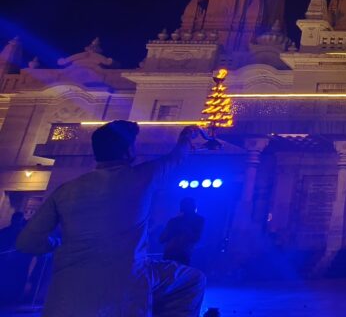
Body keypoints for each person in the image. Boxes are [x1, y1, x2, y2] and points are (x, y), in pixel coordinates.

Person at [16, 120, 206, 316]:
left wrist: (58, 244)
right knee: (193, 279)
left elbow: (26, 242)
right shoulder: (143, 176)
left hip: (65, 294)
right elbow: (176, 157)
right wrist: (186, 137)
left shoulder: (65, 190)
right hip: (125, 282)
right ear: (128, 151)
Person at [161, 197, 205, 265]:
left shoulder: (174, 221)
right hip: (173, 253)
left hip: (181, 254)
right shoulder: (174, 221)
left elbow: (196, 238)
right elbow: (162, 238)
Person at [0, 211, 31, 304]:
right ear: (12, 220)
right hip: (5, 262)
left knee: (16, 281)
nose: (17, 222)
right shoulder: (5, 232)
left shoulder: (25, 234)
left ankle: (12, 299)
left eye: (19, 220)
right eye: (16, 220)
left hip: (18, 263)